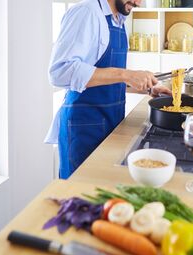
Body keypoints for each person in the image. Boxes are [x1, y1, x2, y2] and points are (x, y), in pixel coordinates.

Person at [45, 0, 171, 179]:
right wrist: (126, 74)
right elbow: (60, 72)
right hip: (83, 127)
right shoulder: (86, 13)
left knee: (102, 193)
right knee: (79, 194)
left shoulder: (118, 21)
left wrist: (146, 88)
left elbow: (105, 78)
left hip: (111, 123)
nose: (138, 3)